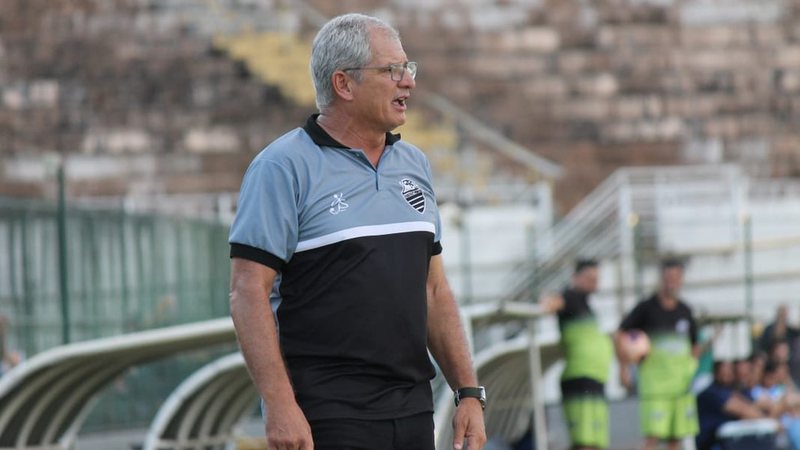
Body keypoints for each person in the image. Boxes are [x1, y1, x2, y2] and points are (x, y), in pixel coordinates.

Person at [227, 13, 486, 450]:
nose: (408, 82)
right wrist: (279, 405)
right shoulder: (282, 167)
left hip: (413, 408)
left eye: (409, 68)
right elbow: (248, 291)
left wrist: (468, 393)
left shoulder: (415, 165)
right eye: (392, 70)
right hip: (325, 412)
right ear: (344, 84)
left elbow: (434, 290)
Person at [616, 258, 700, 450]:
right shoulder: (646, 308)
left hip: (680, 387)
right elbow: (620, 334)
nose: (672, 282)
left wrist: (690, 368)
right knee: (652, 438)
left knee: (676, 439)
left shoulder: (685, 311)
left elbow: (694, 345)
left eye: (676, 277)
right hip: (655, 388)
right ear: (661, 279)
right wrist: (624, 367)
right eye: (668, 277)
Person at [541, 259, 613, 450]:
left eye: (596, 278)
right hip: (580, 377)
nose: (594, 282)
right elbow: (552, 302)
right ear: (576, 277)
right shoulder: (570, 296)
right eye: (589, 278)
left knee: (595, 441)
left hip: (595, 377)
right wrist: (548, 304)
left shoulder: (586, 305)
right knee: (585, 442)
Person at [696, 360, 766, 450]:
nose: (727, 375)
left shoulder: (734, 390)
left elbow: (758, 406)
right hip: (710, 444)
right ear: (715, 373)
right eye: (723, 372)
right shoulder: (713, 393)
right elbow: (746, 411)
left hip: (730, 442)